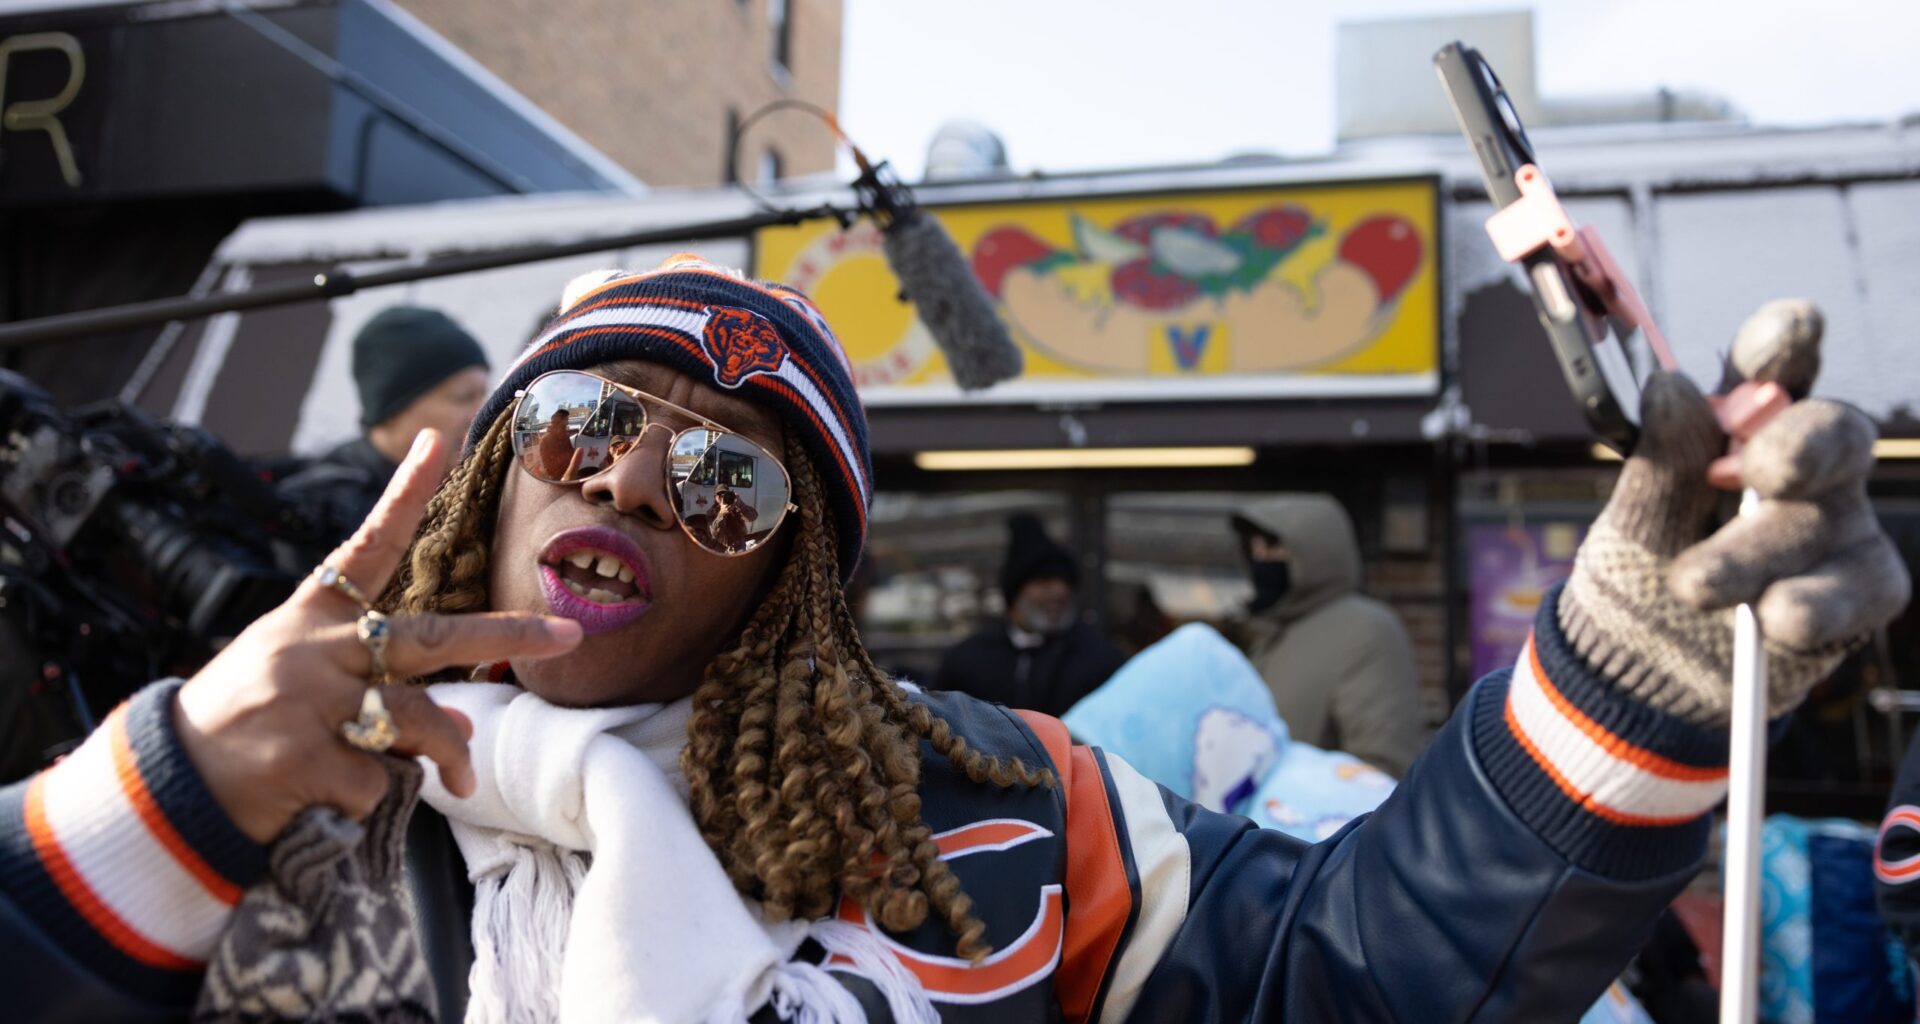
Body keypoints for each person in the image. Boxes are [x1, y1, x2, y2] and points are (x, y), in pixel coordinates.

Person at [0, 274, 1907, 1023]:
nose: (647, 486)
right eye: (589, 426)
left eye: (731, 485)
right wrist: (185, 774)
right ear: (491, 471)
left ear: (789, 587)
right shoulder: (251, 792)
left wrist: (1638, 665)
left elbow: (1354, 975)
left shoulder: (996, 801)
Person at [1230, 495, 1427, 778]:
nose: (1260, 558)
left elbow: (1382, 766)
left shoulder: (1366, 629)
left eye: (1273, 545)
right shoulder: (1272, 634)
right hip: (1263, 818)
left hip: (1318, 820)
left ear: (1314, 553)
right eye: (1254, 547)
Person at [278, 305, 491, 537]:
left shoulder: (468, 491)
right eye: (463, 397)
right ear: (394, 411)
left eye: (484, 396)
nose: (482, 412)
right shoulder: (321, 509)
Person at [933, 513, 1127, 717]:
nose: (1059, 592)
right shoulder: (967, 660)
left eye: (1065, 582)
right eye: (1044, 582)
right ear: (1014, 594)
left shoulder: (1099, 658)